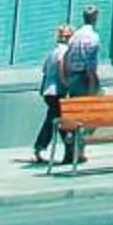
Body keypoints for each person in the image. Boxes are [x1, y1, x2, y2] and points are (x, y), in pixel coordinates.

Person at [61, 7, 102, 167]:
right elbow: (90, 63)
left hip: (73, 78)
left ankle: (73, 148)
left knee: (74, 114)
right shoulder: (92, 37)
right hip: (86, 78)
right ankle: (80, 140)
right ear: (95, 17)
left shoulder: (75, 36)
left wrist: (65, 78)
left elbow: (65, 56)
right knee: (95, 113)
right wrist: (92, 86)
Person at [31, 25, 70, 165]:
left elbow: (45, 71)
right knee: (57, 121)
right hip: (57, 91)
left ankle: (42, 148)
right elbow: (61, 65)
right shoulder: (64, 51)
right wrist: (66, 82)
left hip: (48, 91)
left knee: (54, 119)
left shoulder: (52, 52)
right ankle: (68, 148)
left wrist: (43, 89)